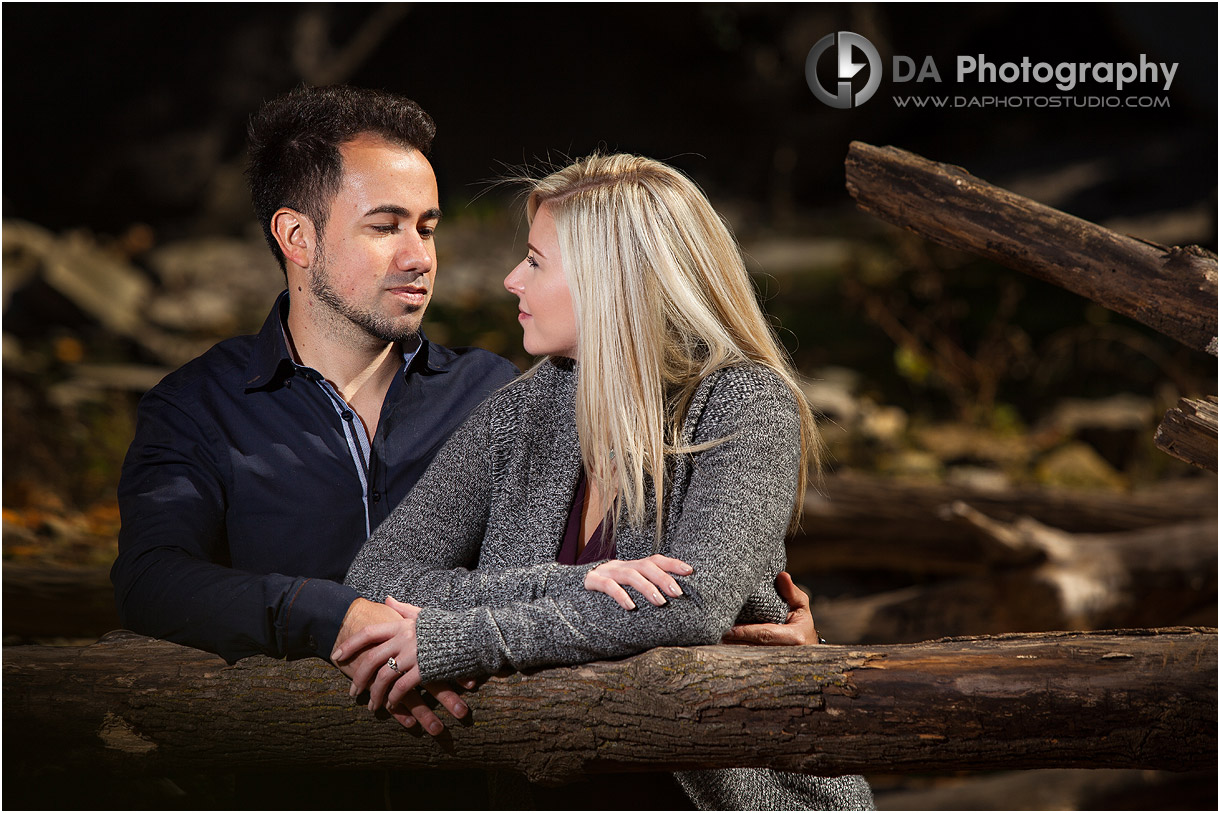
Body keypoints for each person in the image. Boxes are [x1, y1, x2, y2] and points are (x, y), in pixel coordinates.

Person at [338, 153, 874, 809]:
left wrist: (463, 638)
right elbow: (376, 576)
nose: (510, 279)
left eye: (535, 260)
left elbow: (689, 605)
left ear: (609, 279)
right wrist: (574, 582)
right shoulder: (518, 413)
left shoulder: (745, 404)